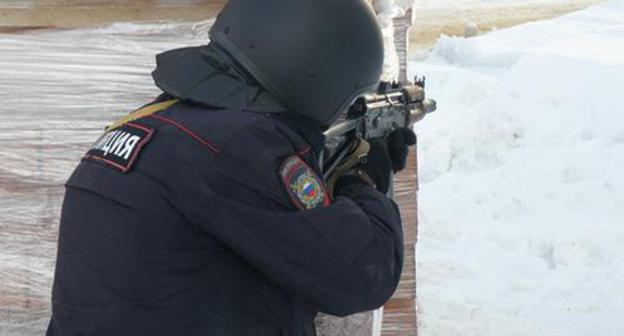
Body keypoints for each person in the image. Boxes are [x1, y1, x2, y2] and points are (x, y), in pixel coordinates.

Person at [46, 0, 416, 335]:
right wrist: (365, 175)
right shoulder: (242, 146)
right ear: (315, 68)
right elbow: (361, 275)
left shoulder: (145, 125)